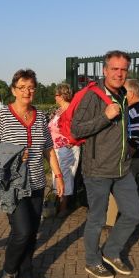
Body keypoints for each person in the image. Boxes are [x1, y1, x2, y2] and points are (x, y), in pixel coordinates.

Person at [0, 69, 64, 278]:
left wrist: (58, 175)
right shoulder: (2, 116)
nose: (27, 92)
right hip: (13, 184)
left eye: (31, 87)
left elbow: (48, 148)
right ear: (13, 90)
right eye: (22, 87)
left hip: (37, 182)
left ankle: (26, 271)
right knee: (22, 231)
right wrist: (13, 152)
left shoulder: (40, 116)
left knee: (31, 232)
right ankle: (10, 270)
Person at [70, 50, 139, 278]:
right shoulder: (92, 96)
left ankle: (111, 251)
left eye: (123, 69)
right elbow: (76, 129)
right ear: (104, 70)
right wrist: (105, 116)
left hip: (122, 168)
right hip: (98, 170)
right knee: (97, 219)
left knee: (134, 213)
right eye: (114, 69)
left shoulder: (123, 94)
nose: (119, 74)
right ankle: (92, 261)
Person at [48, 83, 81, 217]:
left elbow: (77, 129)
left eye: (56, 95)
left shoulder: (71, 110)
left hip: (67, 149)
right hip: (56, 148)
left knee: (65, 176)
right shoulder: (60, 110)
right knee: (58, 176)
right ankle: (58, 204)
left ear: (62, 96)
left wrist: (71, 143)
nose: (55, 97)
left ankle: (63, 207)